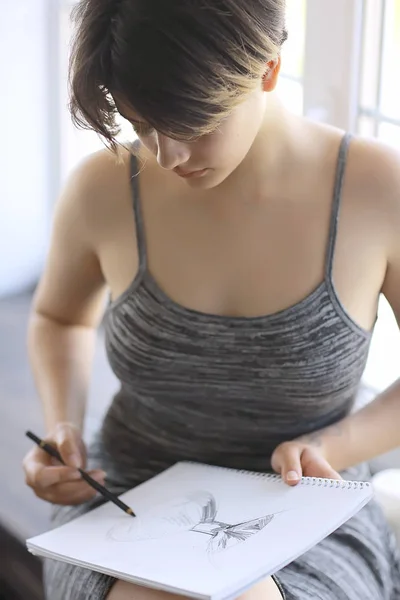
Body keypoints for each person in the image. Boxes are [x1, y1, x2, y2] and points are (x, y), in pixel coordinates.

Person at [22, 0, 400, 598]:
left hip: (306, 507)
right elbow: (59, 317)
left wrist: (331, 446)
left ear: (269, 68)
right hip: (128, 495)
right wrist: (62, 426)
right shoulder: (102, 186)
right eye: (142, 124)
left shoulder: (379, 190)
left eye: (190, 123)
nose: (166, 156)